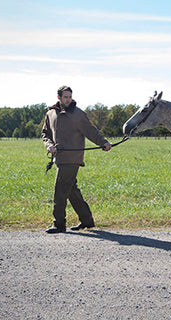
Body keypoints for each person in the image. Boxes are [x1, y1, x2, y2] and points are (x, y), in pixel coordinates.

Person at [42, 86, 112, 233]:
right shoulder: (50, 113)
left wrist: (103, 143)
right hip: (59, 157)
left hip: (73, 158)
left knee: (60, 191)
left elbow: (91, 131)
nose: (68, 99)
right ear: (59, 97)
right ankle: (87, 221)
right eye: (65, 97)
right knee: (71, 190)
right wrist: (49, 145)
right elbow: (45, 133)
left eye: (70, 97)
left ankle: (59, 224)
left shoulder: (78, 114)